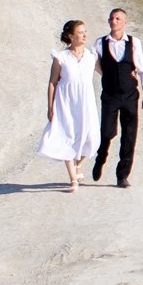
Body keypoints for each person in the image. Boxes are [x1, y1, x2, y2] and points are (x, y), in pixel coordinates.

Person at [90, 6, 143, 188]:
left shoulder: (134, 43)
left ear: (125, 22)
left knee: (129, 135)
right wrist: (106, 74)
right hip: (110, 95)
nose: (114, 21)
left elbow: (142, 69)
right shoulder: (100, 43)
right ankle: (100, 158)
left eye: (118, 18)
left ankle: (122, 174)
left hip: (130, 95)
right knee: (107, 132)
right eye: (111, 18)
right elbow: (93, 63)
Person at [38, 19, 100, 192]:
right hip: (66, 102)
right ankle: (73, 179)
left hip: (86, 102)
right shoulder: (61, 58)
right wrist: (50, 107)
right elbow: (52, 82)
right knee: (68, 136)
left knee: (91, 137)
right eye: (80, 32)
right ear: (71, 36)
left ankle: (78, 164)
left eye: (85, 31)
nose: (85, 34)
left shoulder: (91, 56)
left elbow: (105, 73)